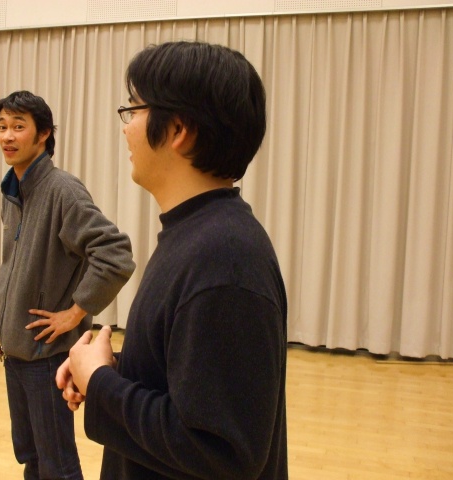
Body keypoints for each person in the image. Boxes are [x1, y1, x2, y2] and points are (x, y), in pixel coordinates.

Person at [56, 41, 288, 479]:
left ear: (178, 128)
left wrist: (102, 384)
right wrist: (109, 371)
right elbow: (193, 378)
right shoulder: (198, 234)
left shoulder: (225, 259)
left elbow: (222, 453)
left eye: (134, 110)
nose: (126, 128)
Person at [0, 90, 135, 480]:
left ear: (44, 134)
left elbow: (115, 253)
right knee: (31, 457)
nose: (7, 136)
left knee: (57, 465)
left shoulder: (62, 190)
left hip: (46, 356)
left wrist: (75, 313)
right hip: (15, 351)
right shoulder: (13, 190)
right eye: (2, 127)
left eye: (18, 126)